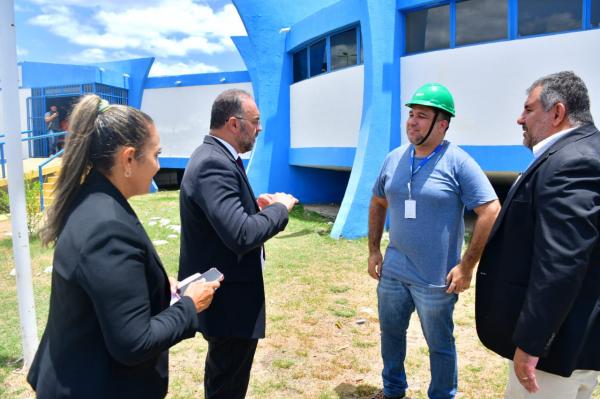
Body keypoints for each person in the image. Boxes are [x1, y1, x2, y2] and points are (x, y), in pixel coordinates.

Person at [28, 94, 220, 399]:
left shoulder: (94, 201)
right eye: (156, 154)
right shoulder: (107, 228)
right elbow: (134, 343)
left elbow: (103, 294)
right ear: (129, 159)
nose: (159, 165)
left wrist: (154, 288)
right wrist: (189, 305)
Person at [368, 83, 500, 399]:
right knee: (391, 335)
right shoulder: (394, 158)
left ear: (442, 124)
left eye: (422, 116)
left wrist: (467, 265)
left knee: (440, 344)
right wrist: (373, 249)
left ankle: (442, 395)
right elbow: (378, 202)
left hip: (435, 280)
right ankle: (392, 390)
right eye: (411, 114)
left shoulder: (459, 162)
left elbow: (490, 210)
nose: (412, 121)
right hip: (394, 273)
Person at [475, 71, 600, 398]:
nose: (520, 118)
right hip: (576, 342)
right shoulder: (585, 152)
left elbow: (562, 262)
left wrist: (532, 344)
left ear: (557, 113)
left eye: (528, 110)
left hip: (554, 352)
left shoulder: (569, 162)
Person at [178, 89, 297, 399]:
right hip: (228, 304)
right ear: (234, 123)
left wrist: (255, 211)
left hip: (230, 300)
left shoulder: (218, 158)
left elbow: (226, 223)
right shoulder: (213, 163)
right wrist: (279, 209)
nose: (259, 129)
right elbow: (241, 236)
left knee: (227, 381)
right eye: (255, 122)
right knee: (226, 387)